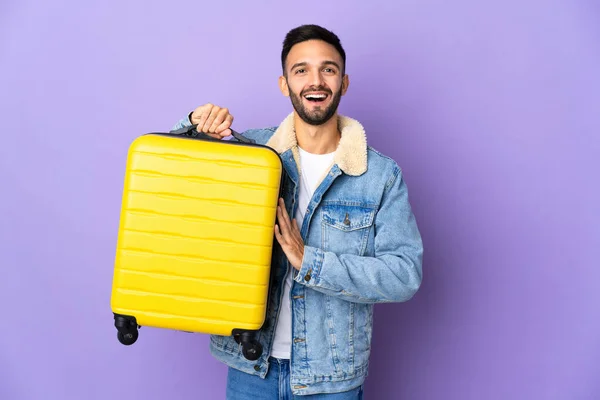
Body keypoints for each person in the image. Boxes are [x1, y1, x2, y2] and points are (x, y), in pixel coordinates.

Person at [170, 24, 423, 399]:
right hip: (251, 368)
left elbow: (405, 274)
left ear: (344, 82)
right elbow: (173, 175)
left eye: (329, 69)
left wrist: (310, 260)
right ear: (284, 84)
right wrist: (192, 124)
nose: (315, 81)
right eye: (301, 70)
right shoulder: (249, 153)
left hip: (331, 378)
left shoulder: (381, 175)